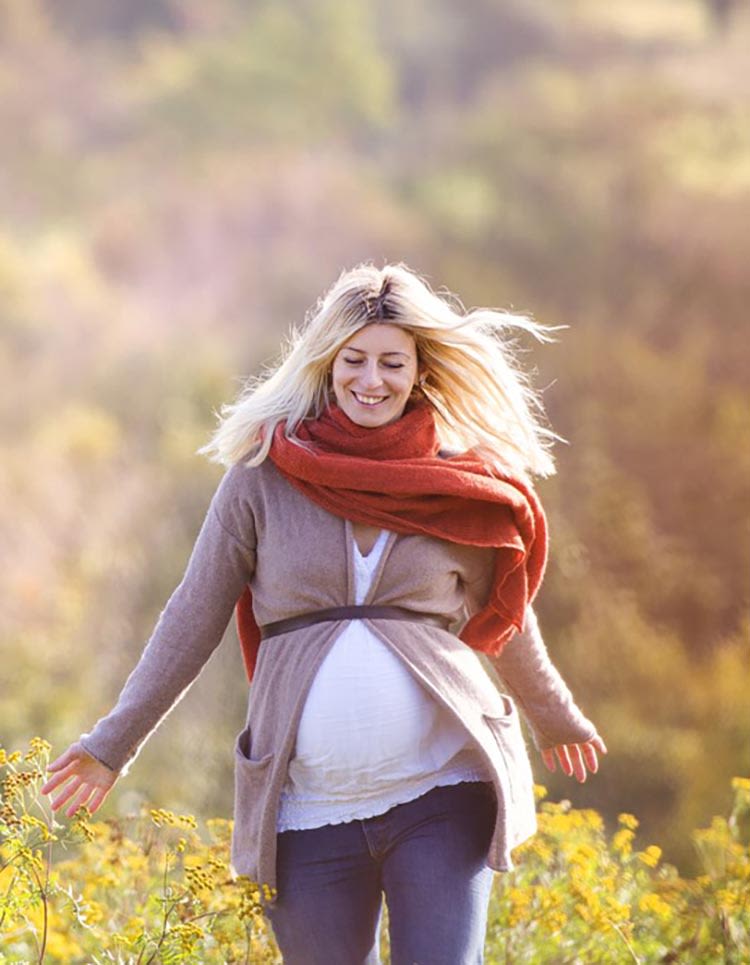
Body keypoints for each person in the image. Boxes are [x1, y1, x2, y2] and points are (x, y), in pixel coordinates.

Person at [42, 262, 606, 965]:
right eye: (355, 360)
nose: (372, 380)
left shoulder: (462, 481)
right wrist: (112, 744)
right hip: (308, 810)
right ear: (326, 364)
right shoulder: (262, 477)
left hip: (441, 791)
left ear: (420, 370)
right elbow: (194, 614)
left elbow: (507, 614)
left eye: (392, 363)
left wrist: (555, 713)